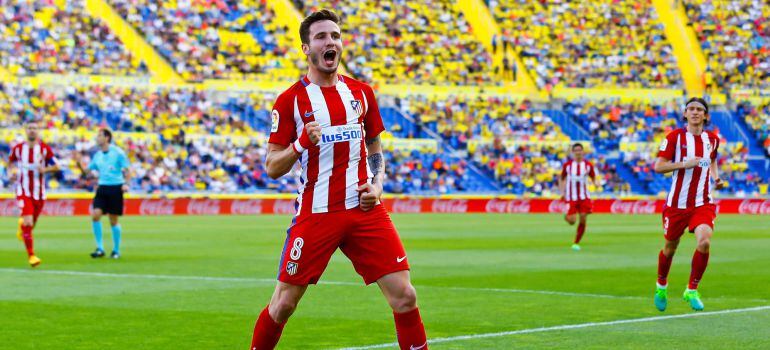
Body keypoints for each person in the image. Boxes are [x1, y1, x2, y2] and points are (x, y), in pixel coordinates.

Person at [250, 9, 427, 350]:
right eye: (321, 37)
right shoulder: (291, 101)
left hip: (364, 211)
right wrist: (301, 143)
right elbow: (272, 166)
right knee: (284, 303)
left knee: (405, 296)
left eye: (335, 36)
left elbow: (374, 145)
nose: (330, 42)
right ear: (306, 48)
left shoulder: (361, 93)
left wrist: (376, 185)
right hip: (317, 213)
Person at [653, 97, 723, 312]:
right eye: (691, 109)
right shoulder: (674, 137)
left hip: (703, 202)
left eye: (699, 109)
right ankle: (661, 286)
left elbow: (711, 159)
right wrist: (685, 164)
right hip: (676, 204)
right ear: (685, 114)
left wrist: (716, 177)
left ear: (705, 115)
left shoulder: (712, 139)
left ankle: (691, 290)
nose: (695, 112)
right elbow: (659, 167)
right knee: (670, 248)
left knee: (704, 242)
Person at [8, 121, 59, 267]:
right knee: (29, 222)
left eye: (34, 128)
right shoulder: (18, 149)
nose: (32, 130)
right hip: (23, 191)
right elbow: (10, 163)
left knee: (30, 225)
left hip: (39, 193)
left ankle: (22, 226)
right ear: (26, 131)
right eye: (29, 128)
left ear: (38, 131)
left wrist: (45, 170)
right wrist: (11, 173)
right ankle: (32, 256)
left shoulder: (44, 149)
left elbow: (56, 166)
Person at [80, 129, 130, 259]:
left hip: (116, 188)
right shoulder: (98, 155)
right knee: (95, 215)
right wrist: (79, 163)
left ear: (107, 138)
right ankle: (100, 248)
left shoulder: (118, 152)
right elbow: (87, 172)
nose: (97, 138)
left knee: (113, 220)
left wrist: (126, 184)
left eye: (100, 136)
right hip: (102, 188)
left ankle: (116, 250)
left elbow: (127, 169)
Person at [559, 143, 597, 251]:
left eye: (580, 150)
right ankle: (566, 216)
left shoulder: (588, 165)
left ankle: (576, 243)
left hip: (584, 196)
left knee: (583, 218)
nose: (578, 152)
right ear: (573, 152)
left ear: (583, 151)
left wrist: (596, 184)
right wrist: (562, 192)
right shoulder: (568, 166)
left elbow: (593, 177)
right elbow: (562, 178)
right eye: (576, 150)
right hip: (572, 196)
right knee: (572, 221)